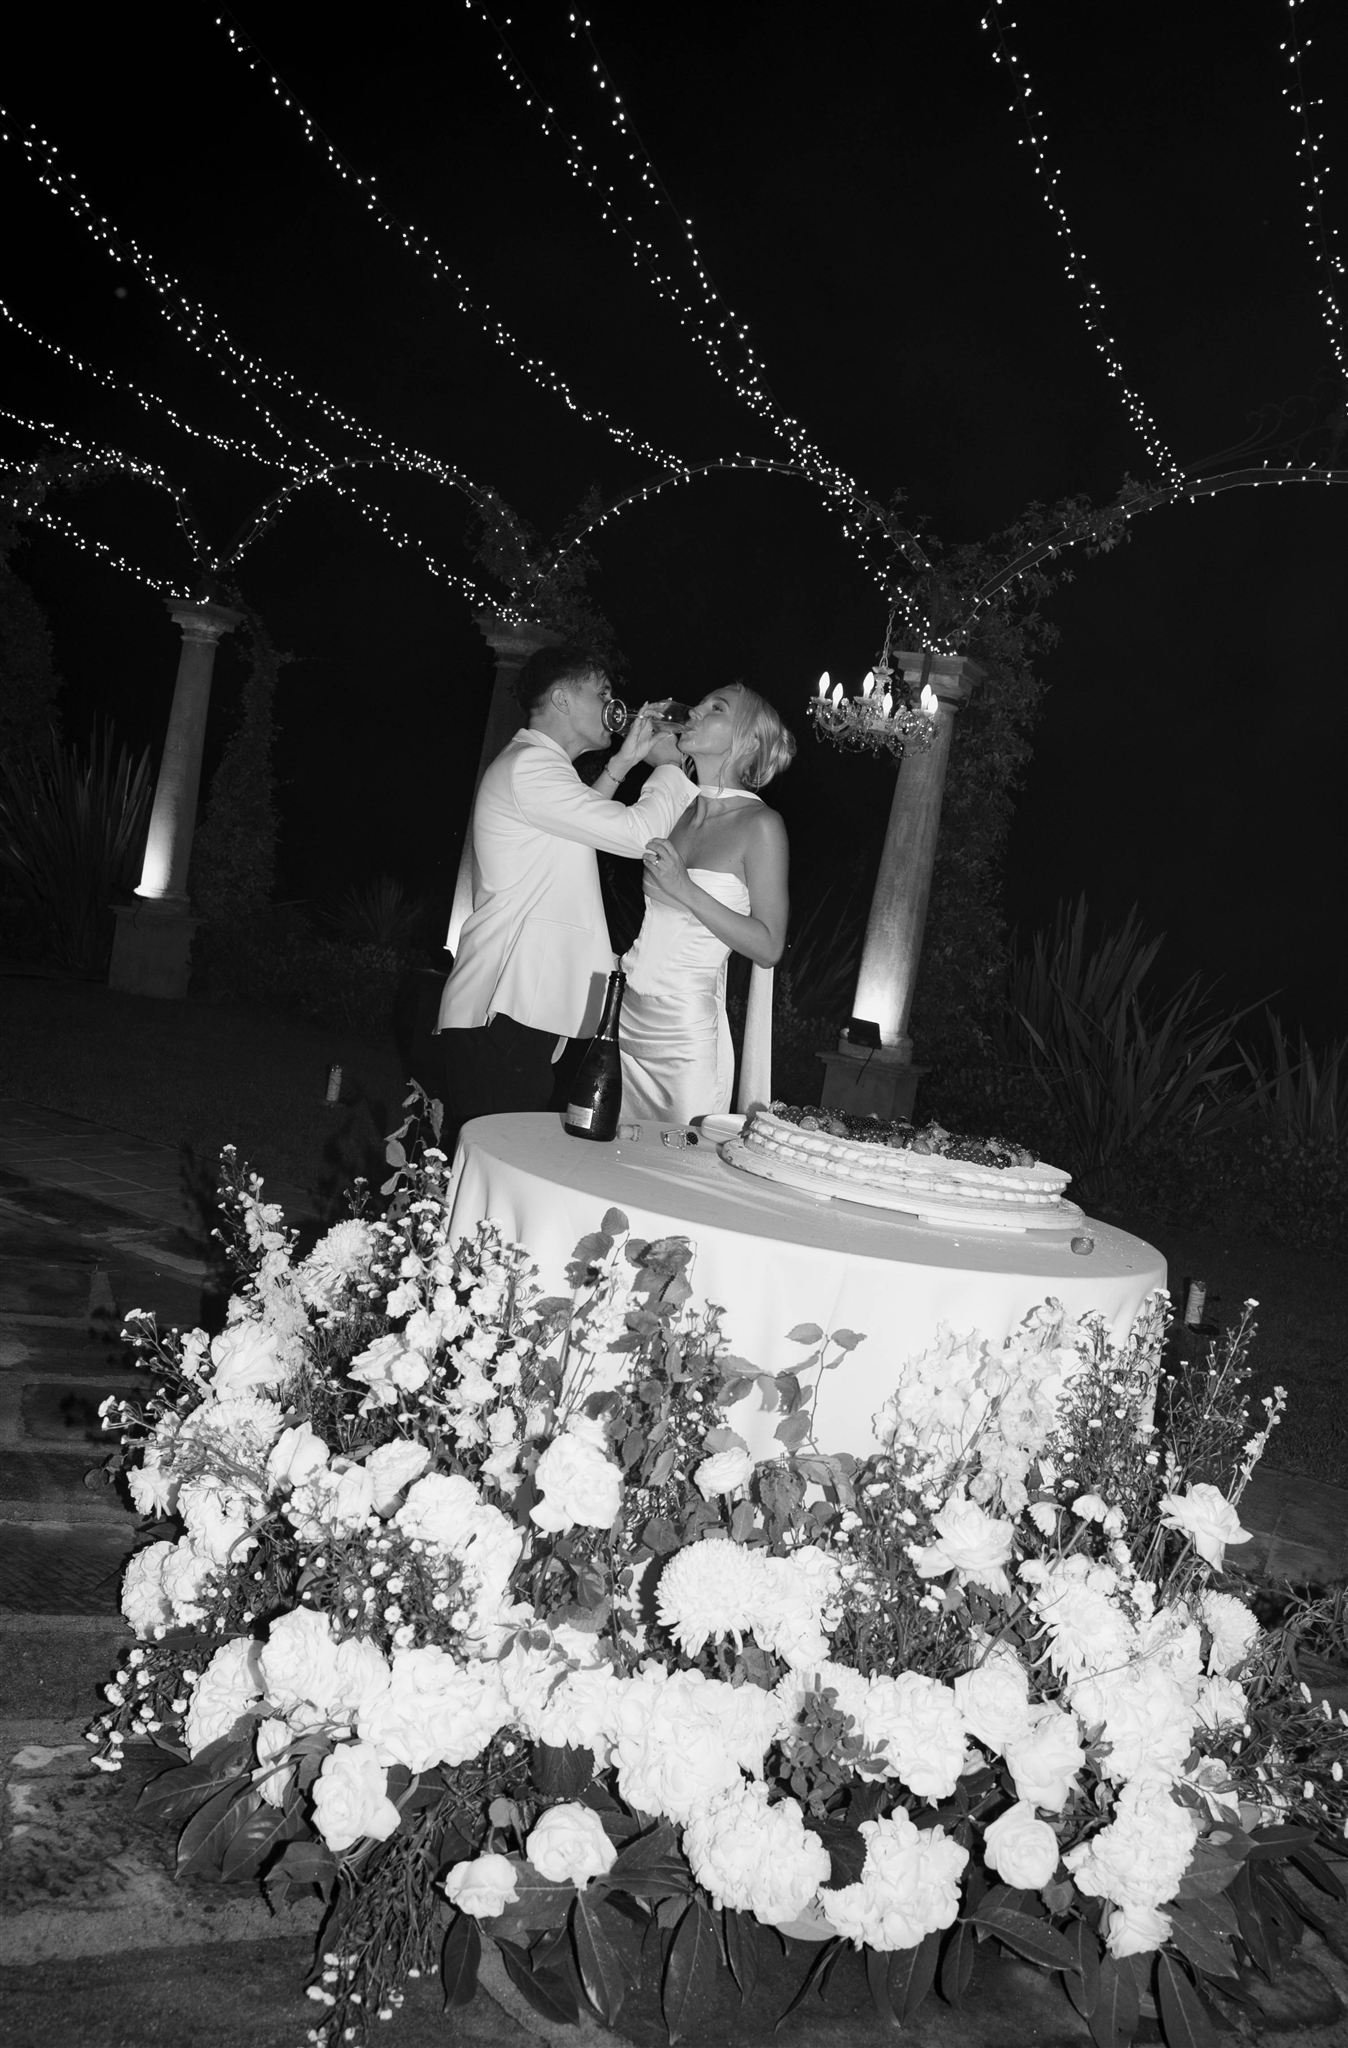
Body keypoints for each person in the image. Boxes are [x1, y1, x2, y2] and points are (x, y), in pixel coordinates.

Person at [436, 643, 695, 1135]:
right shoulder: (531, 768)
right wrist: (667, 768)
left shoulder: (534, 765)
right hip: (500, 1006)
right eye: (602, 694)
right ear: (561, 699)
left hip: (513, 1006)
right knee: (498, 1154)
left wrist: (624, 762)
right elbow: (639, 836)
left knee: (500, 1150)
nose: (614, 707)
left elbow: (576, 832)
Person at [619, 683, 794, 1123]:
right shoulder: (680, 806)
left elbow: (769, 946)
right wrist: (641, 741)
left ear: (748, 741)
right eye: (698, 704)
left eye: (717, 708)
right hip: (626, 1017)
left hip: (685, 1038)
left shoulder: (761, 825)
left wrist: (685, 889)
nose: (696, 711)